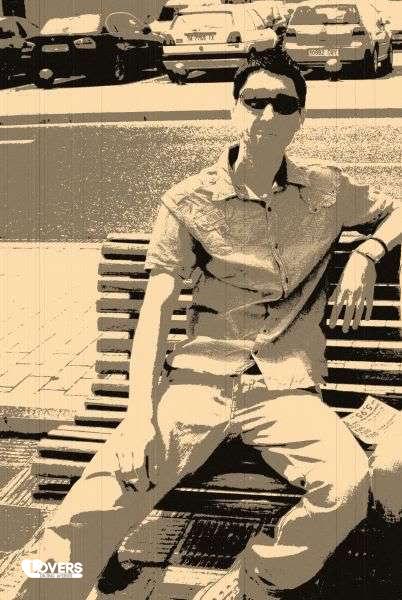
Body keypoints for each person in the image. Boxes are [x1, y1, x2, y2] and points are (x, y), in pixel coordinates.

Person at [15, 48, 401, 600]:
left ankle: (255, 580)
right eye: (255, 101)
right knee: (89, 510)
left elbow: (398, 207)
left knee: (346, 485)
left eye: (284, 104)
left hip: (285, 391)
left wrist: (367, 253)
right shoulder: (188, 202)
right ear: (232, 108)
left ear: (301, 118)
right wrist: (138, 418)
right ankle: (45, 589)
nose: (267, 115)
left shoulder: (326, 189)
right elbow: (156, 311)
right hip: (199, 386)